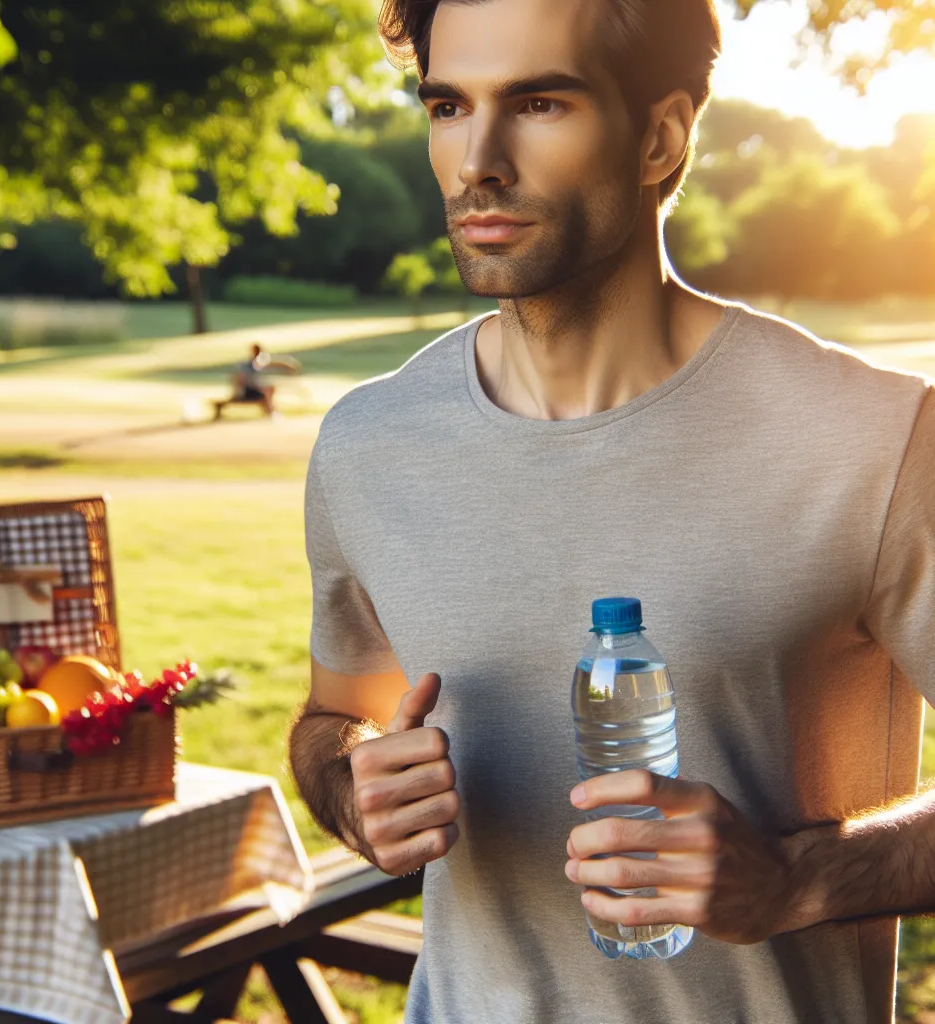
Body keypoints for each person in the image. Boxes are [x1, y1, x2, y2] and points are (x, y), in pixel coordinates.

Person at [287, 0, 935, 1021]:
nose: (476, 162)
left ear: (660, 137)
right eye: (448, 107)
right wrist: (352, 785)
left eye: (538, 104)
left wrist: (795, 879)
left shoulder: (875, 438)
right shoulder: (366, 445)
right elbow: (333, 717)